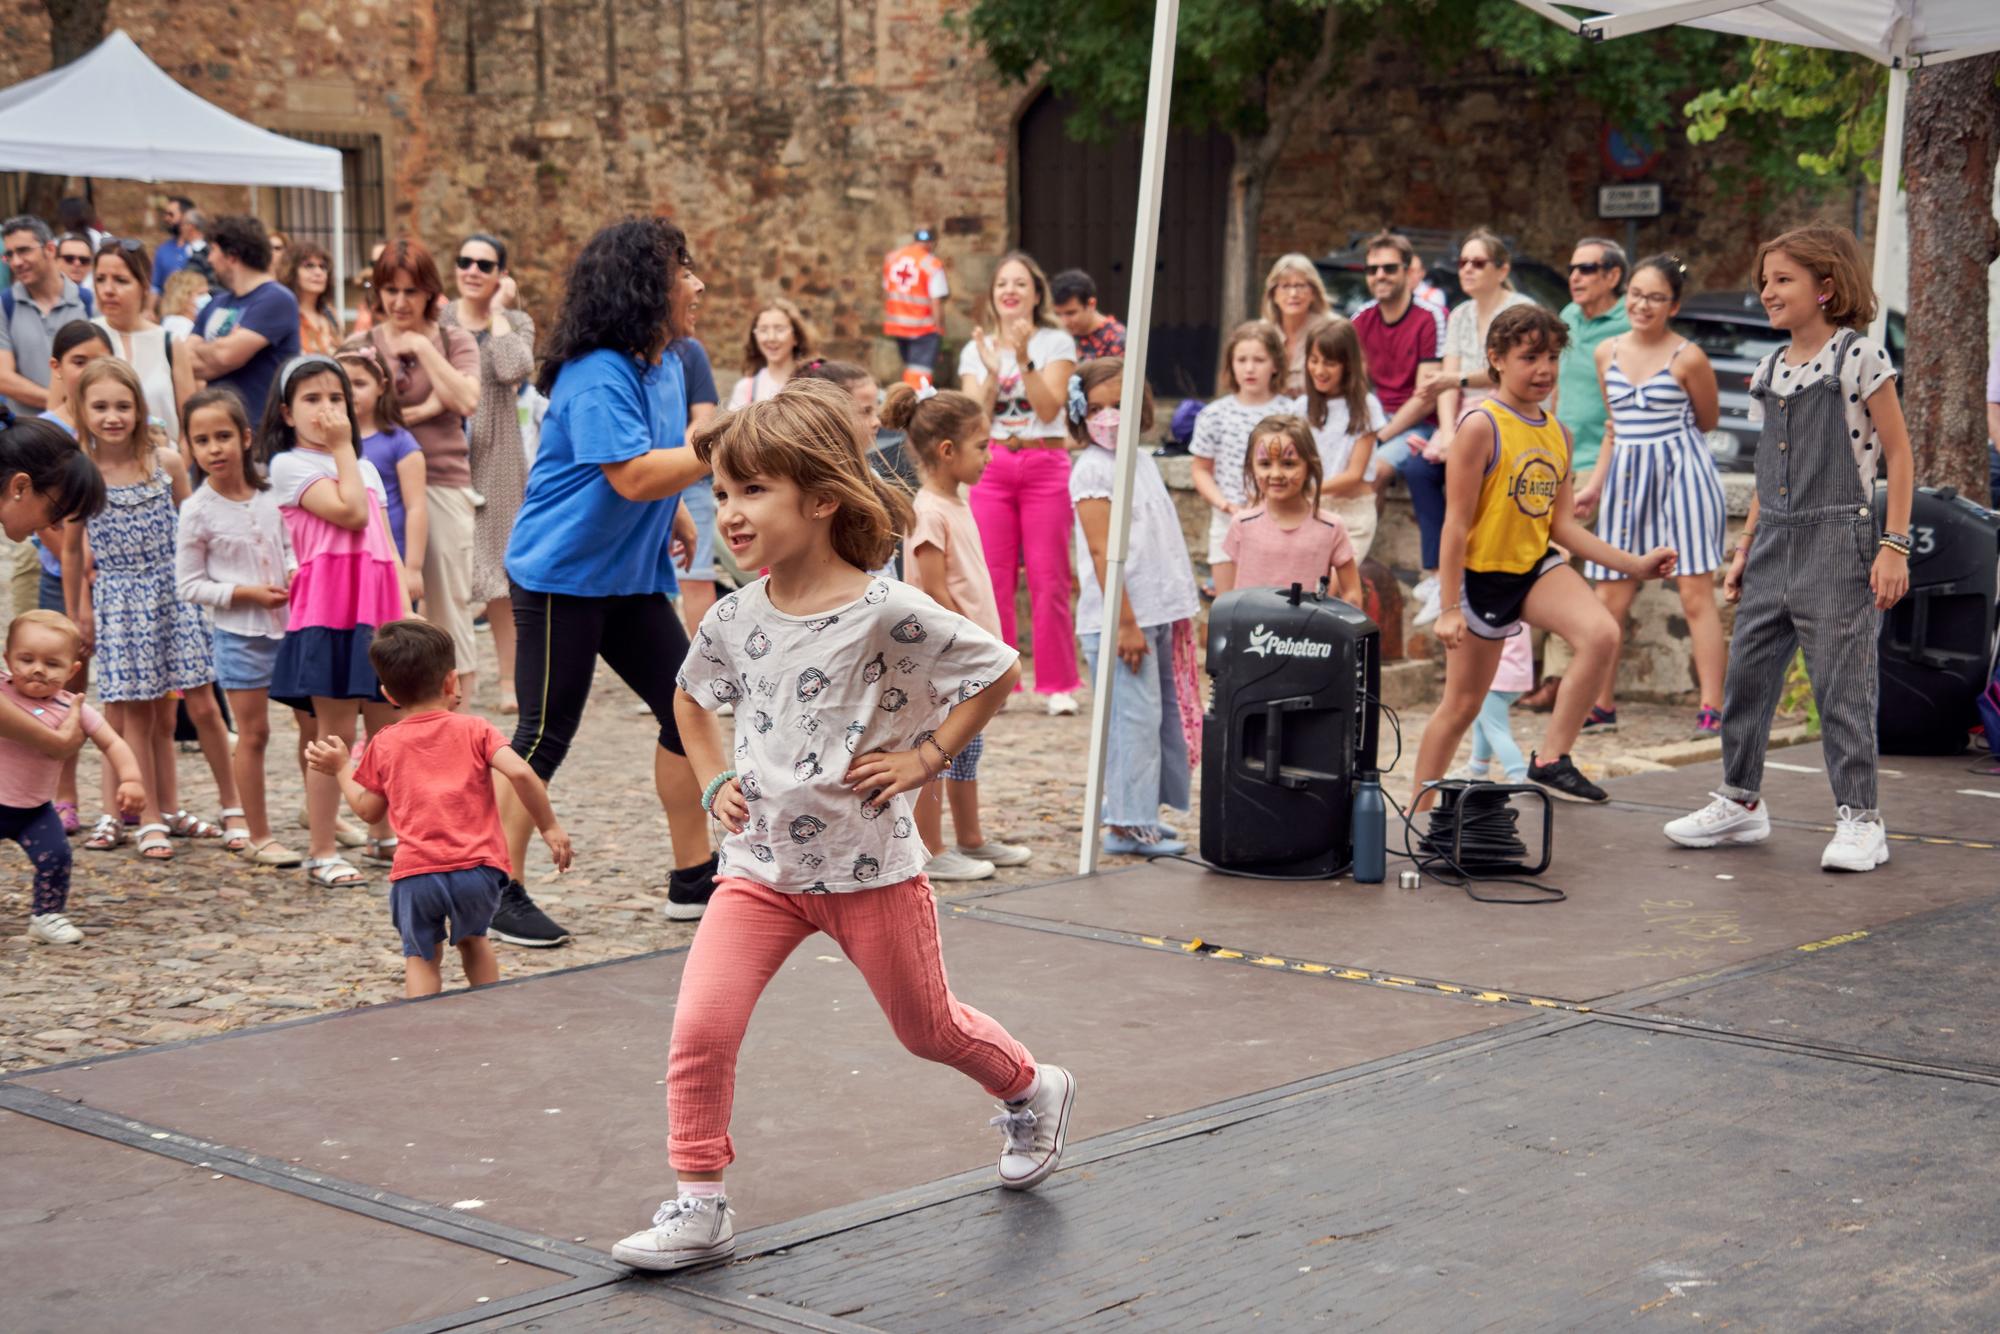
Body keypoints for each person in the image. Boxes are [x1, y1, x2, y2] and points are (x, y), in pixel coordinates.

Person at [612, 378, 1074, 1273]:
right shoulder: (735, 616)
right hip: (759, 873)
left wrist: (926, 757)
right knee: (699, 1030)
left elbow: (996, 669)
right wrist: (713, 785)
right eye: (722, 496)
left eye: (753, 492)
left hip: (872, 873)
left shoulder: (886, 611)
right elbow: (691, 700)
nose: (730, 515)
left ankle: (1030, 1086)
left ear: (821, 498)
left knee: (926, 1029)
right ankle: (700, 1202)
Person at [1665, 225, 1913, 873]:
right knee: (1747, 677)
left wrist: (1894, 544)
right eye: (1765, 280)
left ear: (1826, 288)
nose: (1767, 292)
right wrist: (1745, 547)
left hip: (1840, 541)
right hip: (1773, 538)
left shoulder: (1859, 357)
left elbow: (1900, 454)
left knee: (1841, 687)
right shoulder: (1772, 368)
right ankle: (1741, 802)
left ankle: (1862, 819)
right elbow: (1772, 476)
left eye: (1783, 281)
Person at [501, 216, 716, 938]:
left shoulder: (671, 361)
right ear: (645, 287)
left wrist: (678, 515)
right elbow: (629, 475)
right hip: (562, 577)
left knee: (691, 707)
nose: (698, 286)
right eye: (683, 272)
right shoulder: (596, 373)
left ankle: (694, 877)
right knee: (542, 734)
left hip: (627, 577)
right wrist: (721, 450)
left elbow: (654, 461)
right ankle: (492, 887)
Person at [1407, 304, 1676, 810]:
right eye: (1529, 357)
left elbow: (1564, 527)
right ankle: (1414, 815)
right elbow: (1455, 525)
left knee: (1601, 633)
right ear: (1496, 359)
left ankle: (1552, 759)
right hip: (1478, 579)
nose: (1544, 369)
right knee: (1462, 706)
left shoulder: (1559, 434)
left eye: (1551, 356)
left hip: (1533, 569)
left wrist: (1635, 565)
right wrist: (1447, 607)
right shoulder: (1480, 426)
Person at [308, 619, 572, 997]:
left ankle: (427, 1033)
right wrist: (549, 827)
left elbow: (368, 811)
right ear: (451, 682)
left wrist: (340, 769)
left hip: (417, 874)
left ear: (388, 694)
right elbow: (523, 774)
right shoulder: (476, 729)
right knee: (475, 942)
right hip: (477, 871)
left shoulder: (384, 743)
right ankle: (490, 1012)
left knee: (422, 957)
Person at [61, 359, 228, 861]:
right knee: (132, 709)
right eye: (101, 406)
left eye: (122, 406)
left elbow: (193, 520)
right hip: (117, 595)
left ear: (139, 408)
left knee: (184, 705)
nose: (113, 416)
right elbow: (71, 550)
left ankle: (213, 806)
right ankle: (147, 815)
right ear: (82, 410)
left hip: (172, 591)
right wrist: (77, 611)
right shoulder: (80, 474)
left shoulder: (167, 462)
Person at [263, 354, 411, 887]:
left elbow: (385, 543)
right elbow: (348, 513)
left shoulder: (365, 467)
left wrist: (408, 615)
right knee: (335, 732)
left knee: (387, 729)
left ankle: (383, 831)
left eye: (335, 399)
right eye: (311, 399)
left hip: (377, 611)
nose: (326, 410)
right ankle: (321, 848)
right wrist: (345, 447)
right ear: (285, 412)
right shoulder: (290, 465)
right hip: (327, 611)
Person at [883, 380, 1032, 882]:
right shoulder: (928, 510)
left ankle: (970, 837)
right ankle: (931, 846)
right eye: (982, 445)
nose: (990, 455)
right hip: (947, 659)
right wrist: (973, 647)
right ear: (947, 452)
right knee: (937, 750)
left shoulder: (956, 503)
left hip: (971, 654)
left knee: (968, 748)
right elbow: (934, 591)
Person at [1577, 255, 1728, 739]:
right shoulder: (1606, 352)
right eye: (1636, 294)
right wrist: (1594, 485)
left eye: (1655, 297)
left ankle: (1713, 707)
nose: (1642, 305)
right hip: (1625, 480)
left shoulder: (1689, 357)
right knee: (1609, 595)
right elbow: (1613, 428)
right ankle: (1601, 705)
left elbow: (1708, 422)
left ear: (1673, 305)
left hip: (1683, 473)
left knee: (1695, 593)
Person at [1067, 358, 1201, 859]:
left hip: (1156, 612)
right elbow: (1104, 552)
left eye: (1118, 406)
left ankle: (1140, 809)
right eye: (1096, 408)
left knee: (1155, 718)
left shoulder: (1139, 459)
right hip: (1125, 620)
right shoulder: (1093, 471)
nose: (1107, 417)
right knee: (1131, 723)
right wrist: (1124, 621)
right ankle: (1126, 824)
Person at [173, 388, 303, 867]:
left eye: (224, 436)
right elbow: (190, 584)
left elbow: (290, 543)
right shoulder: (197, 510)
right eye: (202, 440)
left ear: (246, 438)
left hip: (292, 626)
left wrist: (292, 569)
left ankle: (323, 814)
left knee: (313, 727)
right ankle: (259, 833)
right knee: (254, 734)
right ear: (190, 447)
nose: (215, 449)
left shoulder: (272, 492)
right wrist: (244, 593)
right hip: (239, 635)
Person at [956, 250, 1081, 714]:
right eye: (1002, 283)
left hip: (1044, 461)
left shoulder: (1056, 342)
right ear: (993, 294)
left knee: (1050, 577)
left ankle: (1058, 684)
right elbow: (973, 418)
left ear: (1035, 294)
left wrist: (1024, 358)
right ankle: (998, 680)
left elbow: (1048, 410)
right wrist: (991, 370)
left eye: (1020, 284)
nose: (1010, 291)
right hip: (990, 467)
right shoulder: (976, 347)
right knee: (992, 577)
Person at [365, 239, 482, 695]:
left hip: (441, 482)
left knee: (449, 606)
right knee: (386, 611)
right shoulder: (362, 345)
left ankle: (461, 718)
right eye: (390, 290)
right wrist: (422, 410)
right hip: (378, 488)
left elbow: (467, 400)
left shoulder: (454, 339)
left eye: (410, 291)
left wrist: (423, 347)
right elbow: (355, 414)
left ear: (429, 293)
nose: (399, 301)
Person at [2, 609, 143, 945]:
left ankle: (47, 914)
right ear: (7, 658)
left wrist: (131, 778)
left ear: (73, 670)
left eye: (52, 664)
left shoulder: (73, 708)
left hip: (34, 810)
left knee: (57, 858)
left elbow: (113, 741)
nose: (37, 669)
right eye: (26, 659)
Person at [439, 232, 536, 715]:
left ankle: (508, 680)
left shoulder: (516, 321)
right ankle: (446, 679)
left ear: (501, 274)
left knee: (499, 575)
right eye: (465, 261)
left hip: (498, 458)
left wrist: (498, 311)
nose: (473, 271)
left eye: (485, 264)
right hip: (444, 453)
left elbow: (514, 368)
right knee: (448, 575)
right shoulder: (439, 321)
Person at [1352, 231, 1448, 625]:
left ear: (1409, 272)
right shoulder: (1360, 319)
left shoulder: (1430, 318)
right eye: (1373, 269)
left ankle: (1351, 563)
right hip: (1374, 419)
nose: (1380, 276)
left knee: (1373, 471)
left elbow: (1426, 396)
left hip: (1420, 425)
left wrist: (1380, 435)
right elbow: (1354, 385)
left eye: (1390, 268)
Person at [1189, 319, 1291, 598]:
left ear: (1275, 364)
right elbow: (1200, 470)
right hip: (1228, 522)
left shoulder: (1291, 414)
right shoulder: (1213, 415)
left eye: (1259, 359)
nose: (1249, 368)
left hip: (1279, 520)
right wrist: (1225, 504)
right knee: (1228, 608)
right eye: (1241, 359)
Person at [1224, 415, 1363, 606]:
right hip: (1252, 634)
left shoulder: (1331, 527)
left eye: (1288, 464)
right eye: (1265, 464)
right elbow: (1228, 597)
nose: (1276, 474)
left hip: (1309, 634)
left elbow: (1352, 594)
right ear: (1251, 467)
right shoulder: (1242, 524)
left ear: (1310, 466)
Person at [186, 215, 301, 425]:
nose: (209, 259)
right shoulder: (216, 302)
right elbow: (187, 361)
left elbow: (227, 355)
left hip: (260, 432)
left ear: (232, 256)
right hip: (220, 428)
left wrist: (208, 348)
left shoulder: (276, 298)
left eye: (213, 250)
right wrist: (223, 346)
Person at [1432, 228, 1537, 453]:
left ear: (1502, 271)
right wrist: (1448, 434)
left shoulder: (1522, 310)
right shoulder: (1459, 314)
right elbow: (1447, 386)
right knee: (1418, 470)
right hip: (1465, 416)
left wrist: (1456, 379)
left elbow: (1509, 374)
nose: (1468, 269)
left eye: (1478, 263)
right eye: (1463, 263)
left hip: (1510, 413)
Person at [92, 238, 194, 447]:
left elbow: (190, 424)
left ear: (144, 285)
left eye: (121, 280)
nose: (108, 289)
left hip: (163, 469)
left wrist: (176, 472)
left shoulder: (170, 342)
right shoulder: (84, 336)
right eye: (100, 279)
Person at [1300, 316, 1387, 560]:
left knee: (1332, 590)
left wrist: (1305, 490)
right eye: (1313, 361)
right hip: (1311, 512)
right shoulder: (1300, 408)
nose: (1319, 370)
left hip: (1352, 515)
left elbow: (1354, 474)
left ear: (1347, 364)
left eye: (1329, 363)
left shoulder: (1365, 407)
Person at [338, 345, 427, 577]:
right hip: (346, 560)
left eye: (359, 384)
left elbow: (416, 507)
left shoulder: (399, 442)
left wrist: (414, 568)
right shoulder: (328, 442)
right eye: (342, 384)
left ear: (381, 386)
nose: (350, 392)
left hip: (391, 560)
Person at [1555, 237, 1631, 494]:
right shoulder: (1568, 315)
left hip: (1603, 464)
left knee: (1565, 535)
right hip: (1560, 460)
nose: (1574, 277)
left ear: (1612, 276)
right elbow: (1558, 385)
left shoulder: (1632, 323)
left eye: (1585, 269)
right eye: (1571, 270)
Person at [0, 214, 95, 417]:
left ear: (50, 249)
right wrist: (62, 403)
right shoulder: (5, 305)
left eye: (24, 251)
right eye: (9, 255)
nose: (16, 262)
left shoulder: (86, 302)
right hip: (27, 435)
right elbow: (3, 378)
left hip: (81, 431)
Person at [670, 335, 723, 636]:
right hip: (632, 478)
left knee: (696, 574)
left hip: (688, 480)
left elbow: (703, 418)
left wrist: (667, 464)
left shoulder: (688, 350)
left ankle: (705, 660)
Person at [1461, 626, 1533, 783]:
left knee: (1496, 729)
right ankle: (1478, 766)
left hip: (1494, 677)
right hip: (1517, 674)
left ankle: (1518, 774)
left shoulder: (1491, 613)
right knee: (1482, 722)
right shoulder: (1516, 609)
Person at [882, 226, 949, 389]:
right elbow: (936, 302)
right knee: (919, 377)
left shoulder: (892, 259)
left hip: (898, 326)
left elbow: (886, 290)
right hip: (923, 328)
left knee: (911, 370)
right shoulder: (932, 264)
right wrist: (939, 331)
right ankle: (914, 408)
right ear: (933, 243)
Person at [1261, 254, 1332, 395]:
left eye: (1300, 285)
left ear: (1313, 292)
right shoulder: (1261, 333)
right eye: (1285, 286)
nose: (1293, 293)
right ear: (1273, 294)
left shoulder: (1330, 330)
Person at [727, 299, 812, 408]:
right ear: (755, 337)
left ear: (796, 337)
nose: (771, 338)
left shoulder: (812, 385)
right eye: (763, 330)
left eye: (779, 329)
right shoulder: (745, 389)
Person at [1051, 269, 1125, 361]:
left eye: (1071, 313)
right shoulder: (1055, 334)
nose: (1064, 322)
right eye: (1057, 314)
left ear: (1091, 304)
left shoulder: (1117, 340)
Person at [282, 241, 341, 355]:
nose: (318, 272)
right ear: (292, 271)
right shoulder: (284, 313)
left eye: (323, 267)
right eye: (309, 266)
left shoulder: (330, 314)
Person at [152, 195, 198, 291]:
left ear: (185, 216)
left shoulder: (201, 248)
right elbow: (156, 287)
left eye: (171, 214)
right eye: (166, 214)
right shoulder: (163, 249)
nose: (166, 218)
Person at [158, 270, 208, 340]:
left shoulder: (185, 323)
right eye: (201, 294)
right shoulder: (178, 324)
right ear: (183, 297)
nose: (208, 297)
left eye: (207, 293)